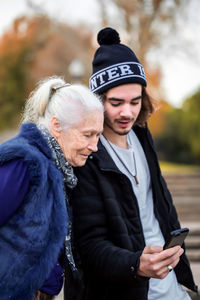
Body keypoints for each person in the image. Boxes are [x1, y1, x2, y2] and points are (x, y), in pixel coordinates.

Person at [70, 28, 198, 300]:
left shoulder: (141, 134)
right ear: (97, 101)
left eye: (135, 102)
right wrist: (135, 264)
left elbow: (161, 206)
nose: (127, 112)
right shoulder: (84, 153)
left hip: (172, 288)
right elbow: (88, 247)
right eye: (116, 103)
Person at [0, 76, 104, 300]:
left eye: (98, 135)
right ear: (56, 125)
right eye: (87, 135)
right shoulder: (24, 162)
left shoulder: (59, 168)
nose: (94, 146)